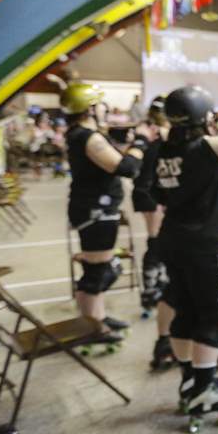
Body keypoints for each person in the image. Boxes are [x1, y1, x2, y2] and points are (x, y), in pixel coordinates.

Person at [154, 85, 218, 422]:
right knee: (217, 315)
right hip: (210, 245)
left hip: (174, 239)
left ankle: (191, 381)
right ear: (204, 116)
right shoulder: (212, 147)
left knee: (186, 312)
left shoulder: (163, 149)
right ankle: (205, 389)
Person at [62, 81, 152, 345]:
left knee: (97, 269)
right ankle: (92, 327)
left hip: (94, 208)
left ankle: (96, 318)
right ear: (90, 108)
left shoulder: (81, 134)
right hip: (96, 210)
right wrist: (142, 142)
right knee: (98, 272)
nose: (103, 108)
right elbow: (126, 168)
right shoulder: (87, 137)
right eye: (99, 104)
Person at [133, 95, 174, 369]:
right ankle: (152, 290)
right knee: (157, 243)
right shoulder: (162, 136)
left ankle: (150, 290)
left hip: (145, 191)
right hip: (153, 193)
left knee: (154, 241)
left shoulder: (147, 131)